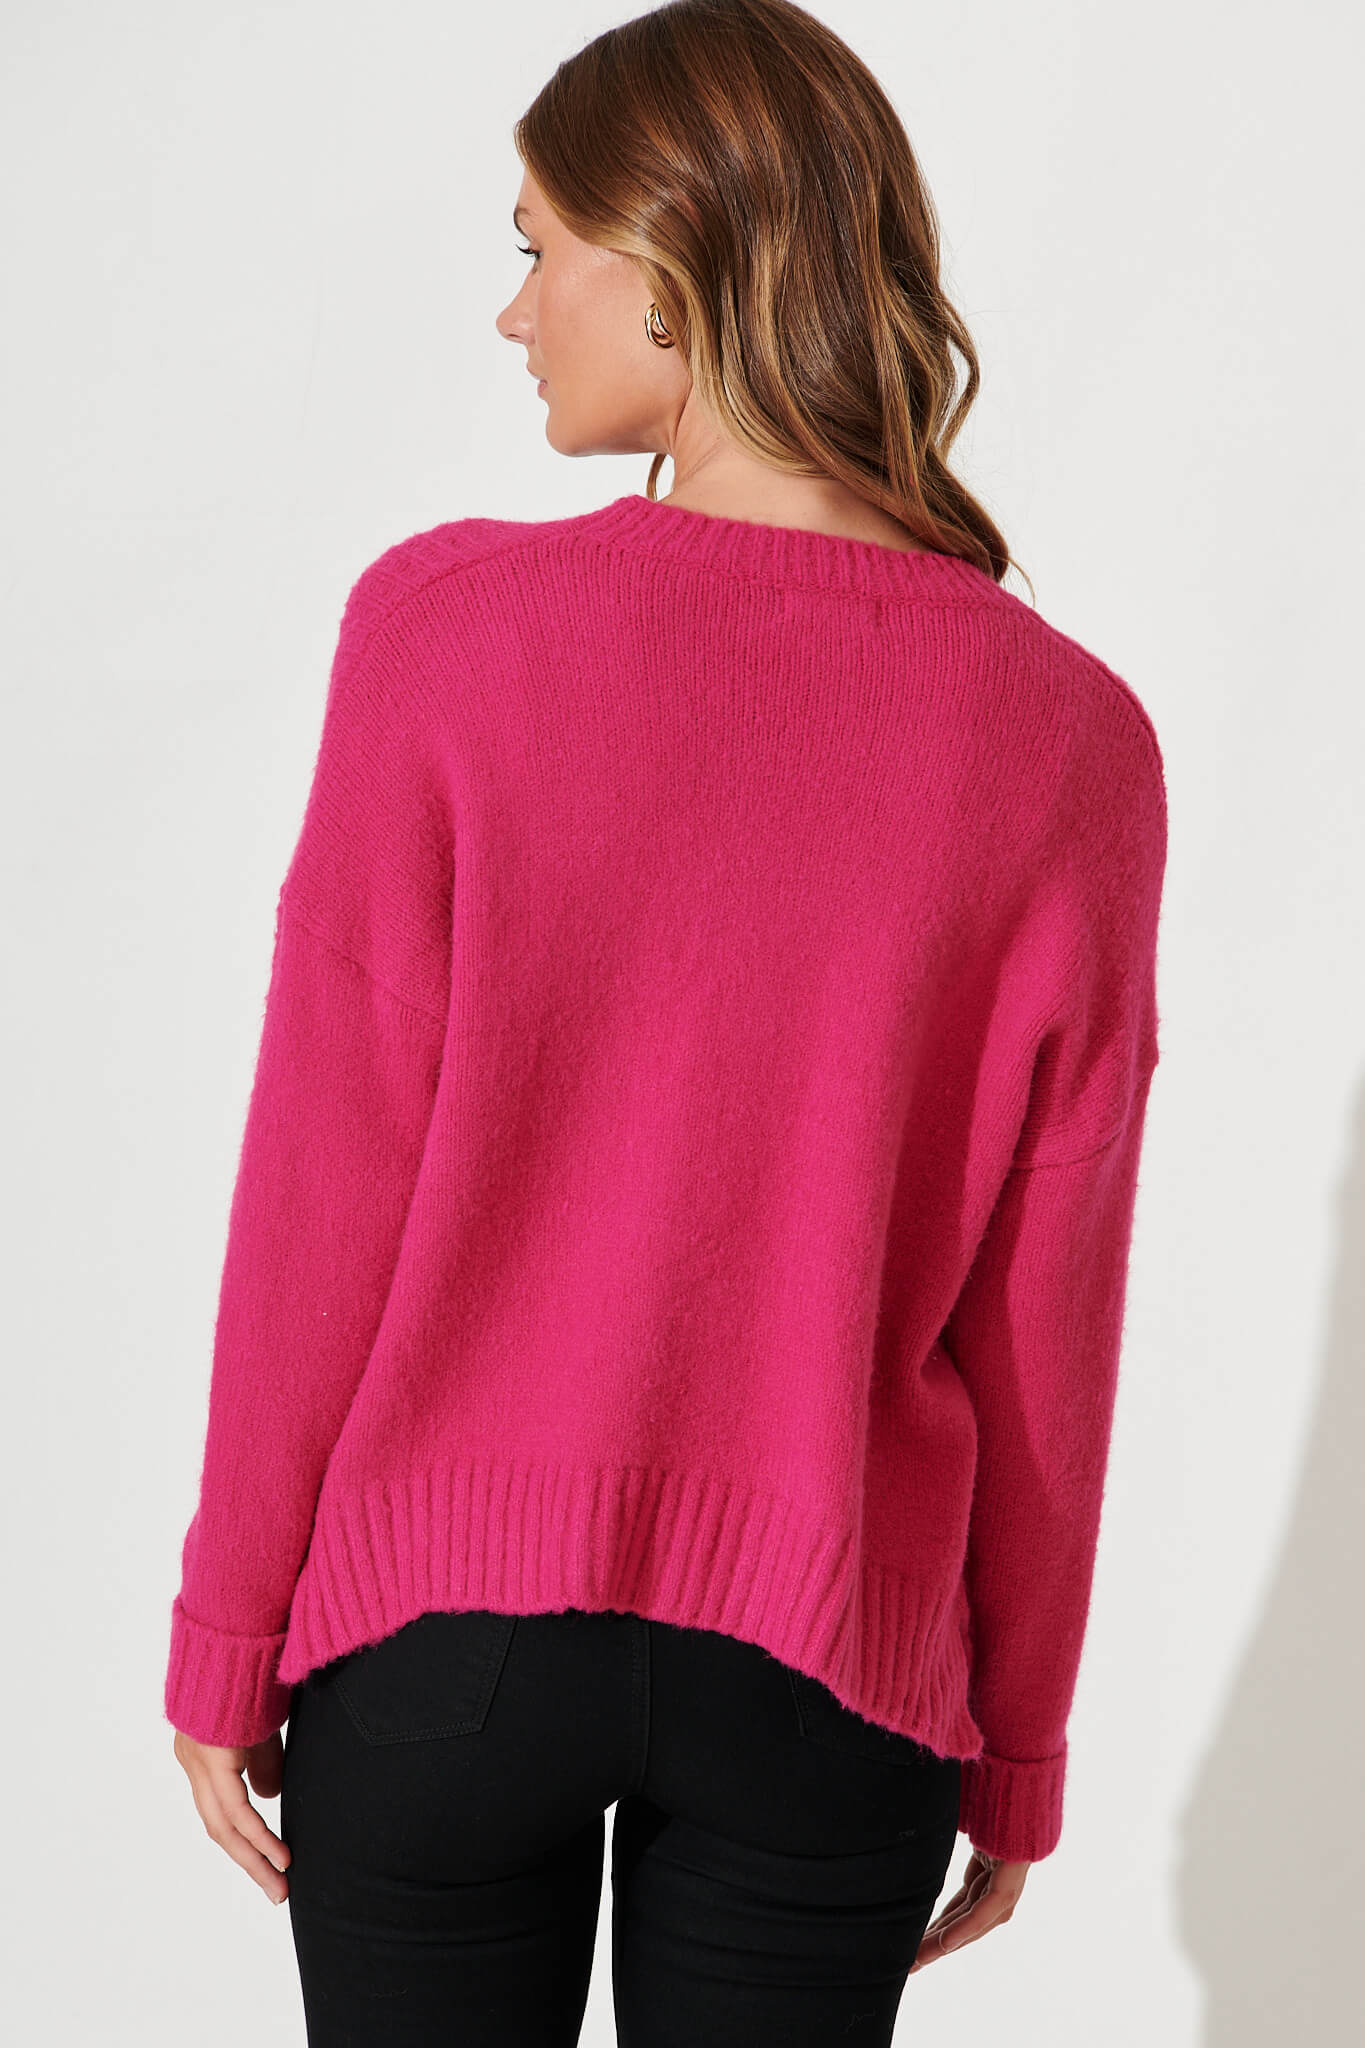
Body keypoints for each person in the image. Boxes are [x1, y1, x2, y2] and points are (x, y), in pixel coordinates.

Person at [165, 2, 1167, 2041]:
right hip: (828, 1671)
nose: (511, 311)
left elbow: (325, 1177)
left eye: (537, 247)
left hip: (440, 1648)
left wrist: (227, 1625)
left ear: (673, 264)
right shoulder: (1071, 744)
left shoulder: (446, 636)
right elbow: (1040, 1304)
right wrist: (1017, 1735)